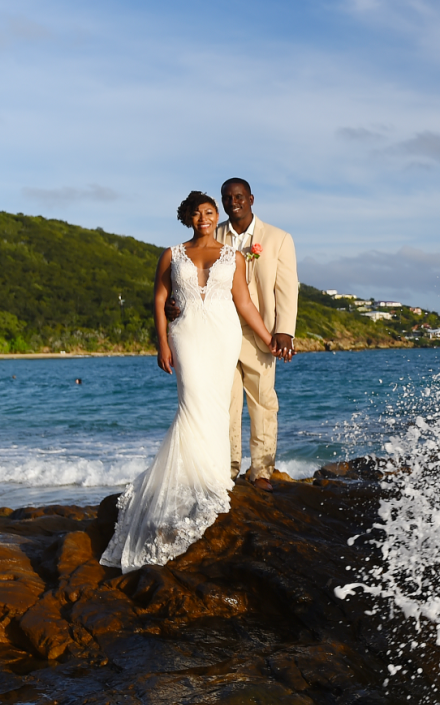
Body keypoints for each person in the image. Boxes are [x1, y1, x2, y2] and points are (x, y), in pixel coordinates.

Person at [100, 192, 275, 574]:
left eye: (209, 212)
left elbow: (243, 303)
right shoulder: (171, 254)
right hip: (186, 335)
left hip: (223, 335)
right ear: (187, 218)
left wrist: (269, 338)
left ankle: (211, 476)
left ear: (217, 216)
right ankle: (190, 480)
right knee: (192, 404)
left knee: (215, 407)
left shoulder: (235, 256)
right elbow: (160, 299)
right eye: (196, 213)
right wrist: (161, 342)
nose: (204, 218)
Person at [215, 179, 297, 491]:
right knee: (227, 403)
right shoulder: (213, 234)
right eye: (227, 197)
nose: (233, 202)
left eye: (238, 197)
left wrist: (284, 331)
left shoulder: (278, 238)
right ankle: (227, 470)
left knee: (263, 400)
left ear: (251, 198)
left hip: (261, 332)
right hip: (221, 330)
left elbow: (287, 289)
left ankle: (261, 470)